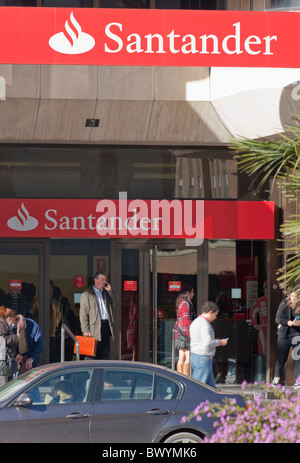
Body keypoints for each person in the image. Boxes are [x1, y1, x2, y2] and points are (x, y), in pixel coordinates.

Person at [190, 301, 228, 388]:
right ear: (210, 312)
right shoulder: (204, 324)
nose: (216, 317)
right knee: (198, 387)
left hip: (199, 356)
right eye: (215, 314)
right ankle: (195, 401)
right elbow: (207, 342)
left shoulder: (196, 322)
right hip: (202, 357)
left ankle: (211, 401)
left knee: (210, 388)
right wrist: (220, 342)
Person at [80, 271, 117, 360]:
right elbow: (83, 314)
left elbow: (115, 304)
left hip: (106, 325)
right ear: (95, 280)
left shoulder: (106, 293)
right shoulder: (87, 294)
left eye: (105, 280)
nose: (104, 282)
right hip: (94, 328)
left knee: (104, 355)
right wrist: (85, 330)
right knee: (91, 355)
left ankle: (101, 373)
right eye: (102, 279)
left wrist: (110, 291)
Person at [272, 289, 300, 389]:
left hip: (297, 334)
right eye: (292, 296)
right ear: (289, 297)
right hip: (284, 335)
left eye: (295, 297)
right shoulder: (284, 304)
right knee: (281, 358)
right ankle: (277, 377)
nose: (293, 299)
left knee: (298, 358)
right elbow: (278, 318)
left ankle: (298, 381)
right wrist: (287, 322)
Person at [174, 285, 195, 375]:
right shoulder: (186, 303)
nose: (193, 294)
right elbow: (187, 320)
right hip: (186, 334)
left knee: (181, 357)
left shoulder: (180, 302)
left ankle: (180, 377)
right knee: (188, 357)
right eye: (192, 292)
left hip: (179, 334)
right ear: (188, 293)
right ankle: (186, 378)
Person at [0, 306, 20, 386]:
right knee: (3, 385)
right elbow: (2, 341)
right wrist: (16, 338)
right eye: (12, 319)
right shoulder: (1, 325)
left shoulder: (4, 325)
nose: (12, 322)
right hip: (2, 361)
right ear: (8, 318)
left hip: (5, 361)